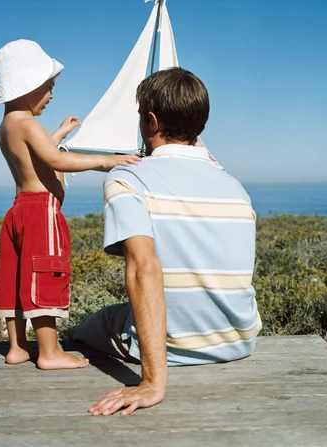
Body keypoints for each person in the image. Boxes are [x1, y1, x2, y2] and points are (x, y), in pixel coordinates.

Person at [70, 67, 262, 414]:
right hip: (239, 341)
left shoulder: (127, 178)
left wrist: (152, 383)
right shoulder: (236, 188)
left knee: (88, 326)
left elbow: (144, 269)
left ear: (151, 122)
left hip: (175, 349)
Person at [0, 39, 140, 370]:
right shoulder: (28, 124)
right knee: (45, 273)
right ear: (27, 85)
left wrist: (58, 132)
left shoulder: (8, 126)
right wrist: (105, 161)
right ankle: (49, 352)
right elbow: (54, 159)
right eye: (48, 87)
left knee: (16, 278)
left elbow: (37, 154)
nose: (51, 95)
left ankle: (17, 348)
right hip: (41, 210)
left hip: (18, 210)